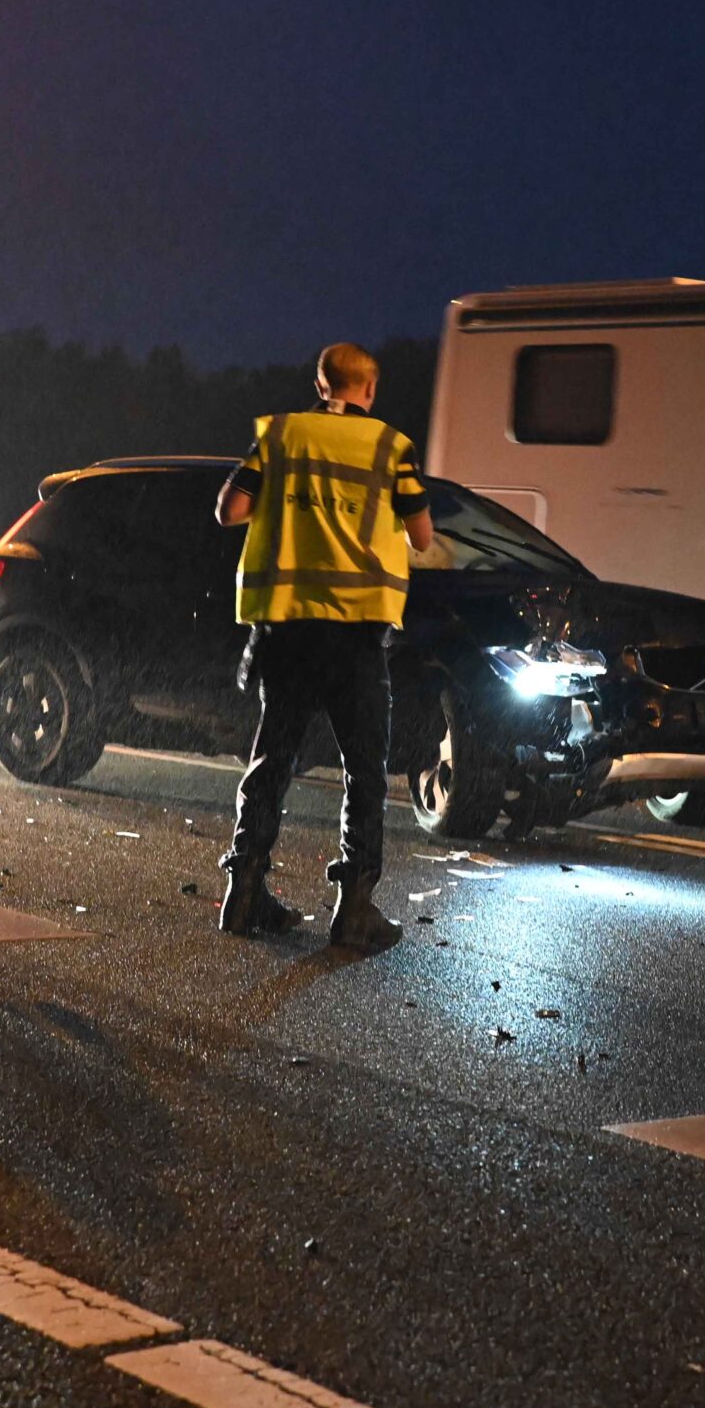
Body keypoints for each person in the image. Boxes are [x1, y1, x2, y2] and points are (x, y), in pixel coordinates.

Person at [215, 342, 434, 951]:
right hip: (357, 639)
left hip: (287, 632)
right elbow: (421, 535)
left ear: (319, 381)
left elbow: (228, 510)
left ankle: (244, 891)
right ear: (369, 389)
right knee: (363, 772)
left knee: (273, 760)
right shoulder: (391, 449)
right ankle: (354, 908)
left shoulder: (282, 437)